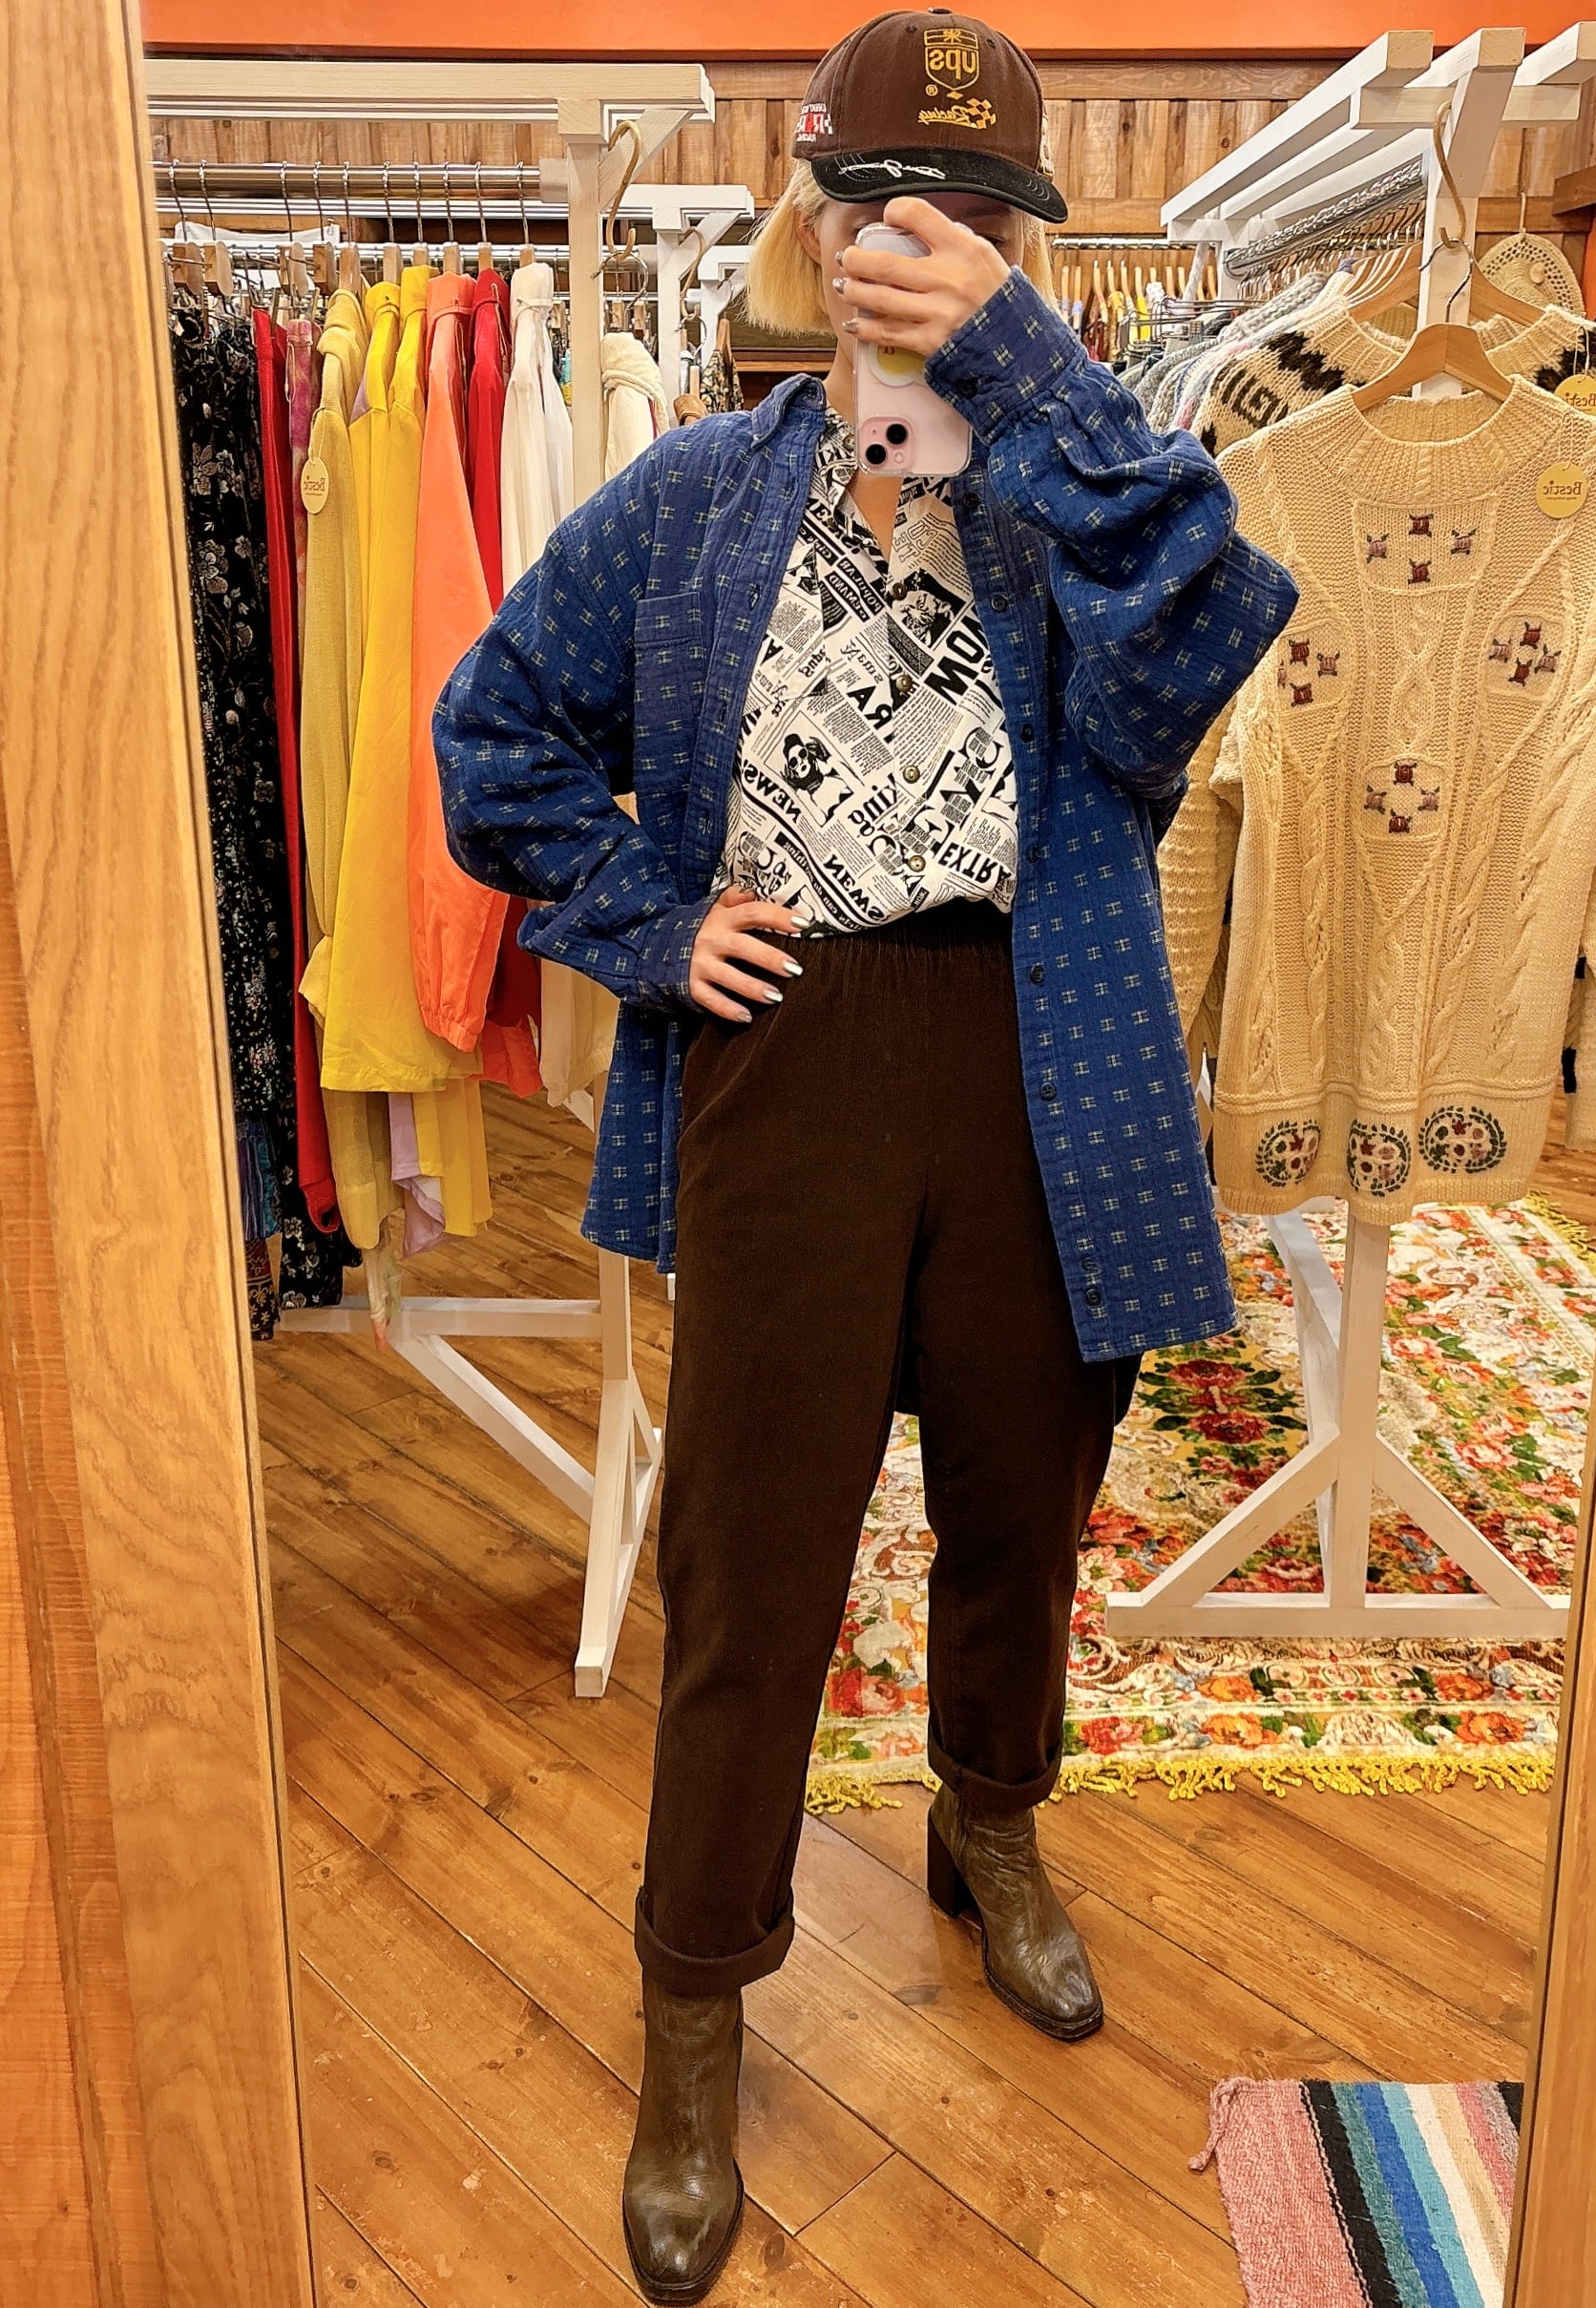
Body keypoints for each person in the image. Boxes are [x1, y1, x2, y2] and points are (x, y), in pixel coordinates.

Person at [434, 11, 1296, 2298]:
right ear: (812, 228)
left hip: (1046, 1055)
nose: (917, 242)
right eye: (878, 203)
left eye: (972, 212)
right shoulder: (695, 496)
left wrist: (1023, 372)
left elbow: (1215, 612)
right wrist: (642, 919)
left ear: (1025, 246)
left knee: (1022, 1508)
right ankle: (695, 2003)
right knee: (751, 1562)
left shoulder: (1089, 498)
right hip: (785, 1053)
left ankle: (988, 1827)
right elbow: (490, 726)